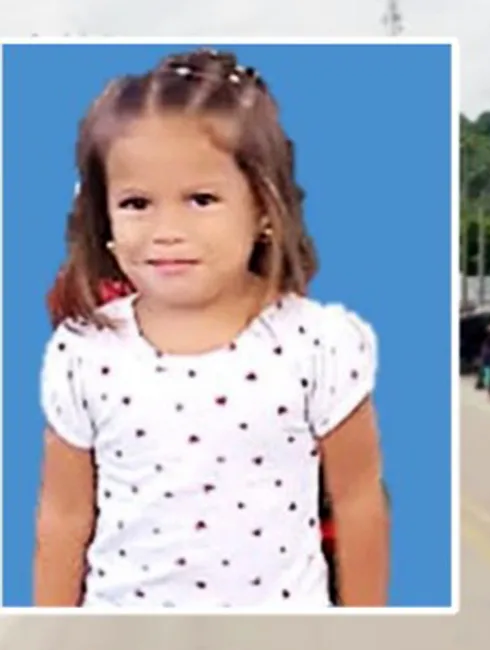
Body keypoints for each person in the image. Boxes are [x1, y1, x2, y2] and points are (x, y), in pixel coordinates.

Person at [34, 49, 389, 609]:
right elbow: (63, 516)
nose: (166, 230)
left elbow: (359, 501)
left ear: (265, 209)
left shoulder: (318, 343)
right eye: (136, 203)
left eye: (201, 199)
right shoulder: (84, 351)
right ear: (104, 216)